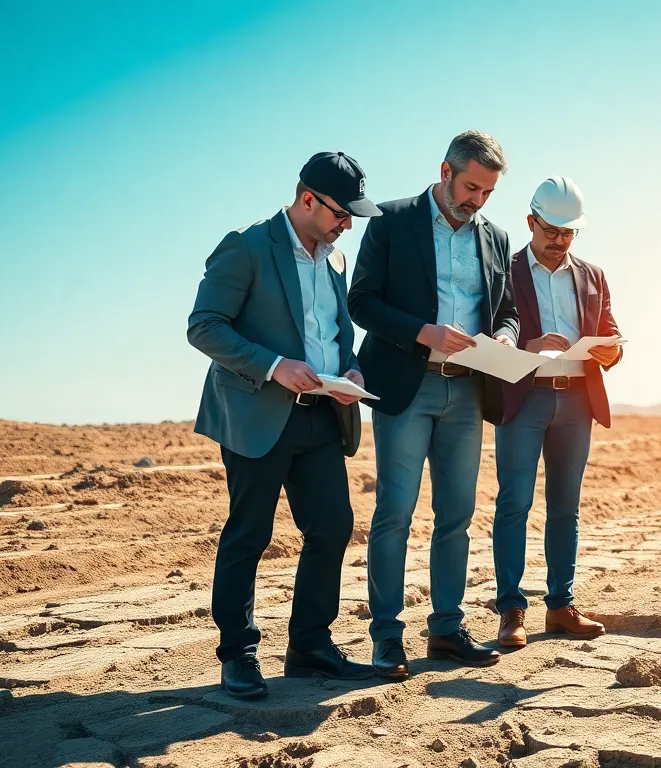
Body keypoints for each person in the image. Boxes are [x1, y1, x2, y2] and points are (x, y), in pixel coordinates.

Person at [188, 151, 381, 700]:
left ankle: (310, 648)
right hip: (256, 414)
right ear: (307, 200)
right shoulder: (246, 247)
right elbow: (204, 328)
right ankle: (238, 654)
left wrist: (350, 367)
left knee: (332, 526)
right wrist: (275, 366)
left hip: (322, 413)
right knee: (250, 533)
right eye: (343, 214)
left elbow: (337, 333)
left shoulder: (336, 261)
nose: (348, 225)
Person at [348, 131, 519, 680]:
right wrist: (421, 332)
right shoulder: (392, 220)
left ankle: (446, 629)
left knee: (457, 515)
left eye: (488, 193)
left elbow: (508, 310)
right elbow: (362, 301)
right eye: (471, 187)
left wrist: (509, 338)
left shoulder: (495, 238)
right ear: (445, 170)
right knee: (395, 512)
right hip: (405, 384)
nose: (477, 201)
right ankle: (387, 637)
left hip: (468, 389)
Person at [490, 177, 622, 648]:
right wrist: (527, 344)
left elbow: (609, 331)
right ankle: (511, 611)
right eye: (552, 231)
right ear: (531, 222)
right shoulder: (503, 271)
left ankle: (560, 607)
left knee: (565, 508)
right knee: (514, 505)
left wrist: (611, 352)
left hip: (577, 401)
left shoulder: (593, 275)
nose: (560, 241)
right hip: (524, 399)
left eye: (569, 233)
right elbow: (491, 333)